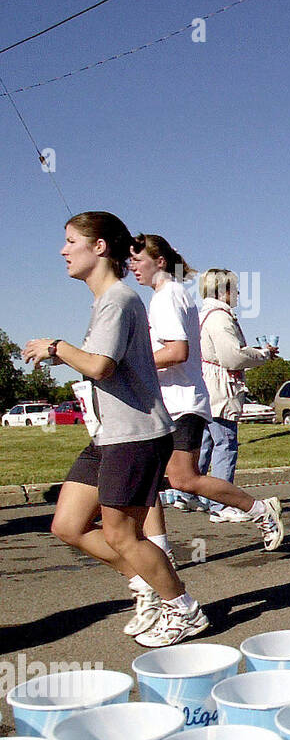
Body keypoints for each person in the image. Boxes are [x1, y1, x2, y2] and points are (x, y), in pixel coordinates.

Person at [22, 211, 209, 646]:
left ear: (99, 247)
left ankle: (183, 609)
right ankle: (149, 583)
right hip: (110, 435)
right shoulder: (108, 301)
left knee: (120, 533)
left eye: (71, 241)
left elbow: (101, 366)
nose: (63, 250)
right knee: (67, 525)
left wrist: (57, 347)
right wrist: (63, 356)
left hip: (136, 434)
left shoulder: (119, 299)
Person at [129, 235, 284, 555]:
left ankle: (258, 510)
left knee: (185, 478)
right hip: (172, 400)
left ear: (159, 262)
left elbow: (177, 352)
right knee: (154, 480)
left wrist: (128, 364)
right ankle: (160, 555)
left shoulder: (169, 296)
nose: (132, 266)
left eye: (137, 259)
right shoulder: (174, 298)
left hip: (182, 402)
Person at [196, 268, 279, 522]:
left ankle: (192, 495)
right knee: (226, 444)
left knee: (206, 442)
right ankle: (221, 504)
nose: (239, 294)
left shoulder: (203, 314)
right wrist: (262, 355)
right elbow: (231, 356)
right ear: (224, 291)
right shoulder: (220, 317)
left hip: (205, 387)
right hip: (220, 388)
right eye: (235, 289)